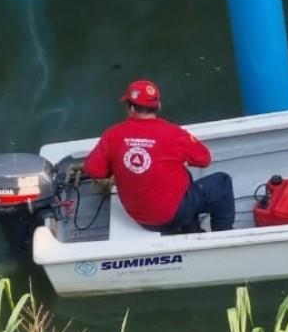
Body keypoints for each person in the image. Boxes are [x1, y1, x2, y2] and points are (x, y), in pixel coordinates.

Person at [83, 79, 235, 233]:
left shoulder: (113, 134)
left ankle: (191, 228)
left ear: (130, 108)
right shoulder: (174, 134)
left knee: (184, 178)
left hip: (139, 217)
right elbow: (204, 159)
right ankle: (223, 234)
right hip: (173, 214)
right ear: (158, 106)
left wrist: (120, 166)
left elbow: (93, 169)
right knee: (222, 183)